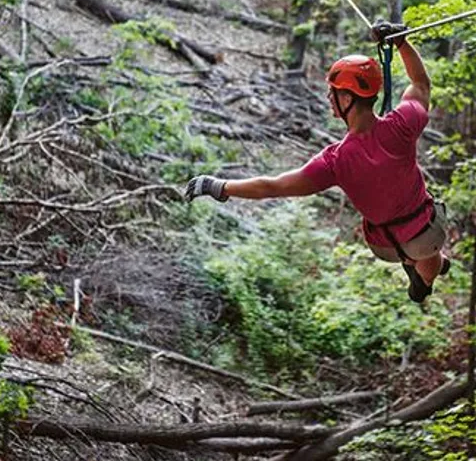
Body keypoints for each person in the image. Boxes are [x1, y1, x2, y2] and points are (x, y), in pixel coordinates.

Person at [185, 21, 450, 303]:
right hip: (428, 233)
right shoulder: (402, 124)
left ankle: (419, 267)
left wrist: (220, 186)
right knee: (426, 248)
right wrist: (401, 43)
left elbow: (273, 187)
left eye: (332, 92)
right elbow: (421, 84)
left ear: (347, 98)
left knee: (417, 249)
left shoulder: (336, 161)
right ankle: (425, 274)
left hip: (384, 245)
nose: (328, 98)